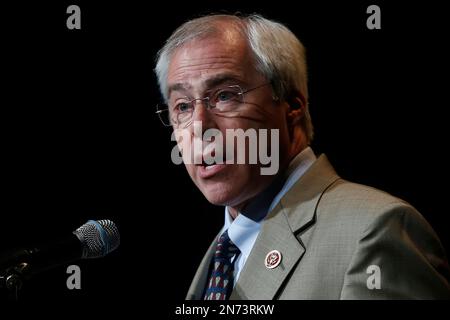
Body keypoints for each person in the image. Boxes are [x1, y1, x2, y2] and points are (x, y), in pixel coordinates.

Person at [154, 13, 450, 299]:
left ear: (292, 105)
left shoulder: (375, 230)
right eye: (182, 106)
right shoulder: (221, 255)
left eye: (225, 95)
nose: (199, 127)